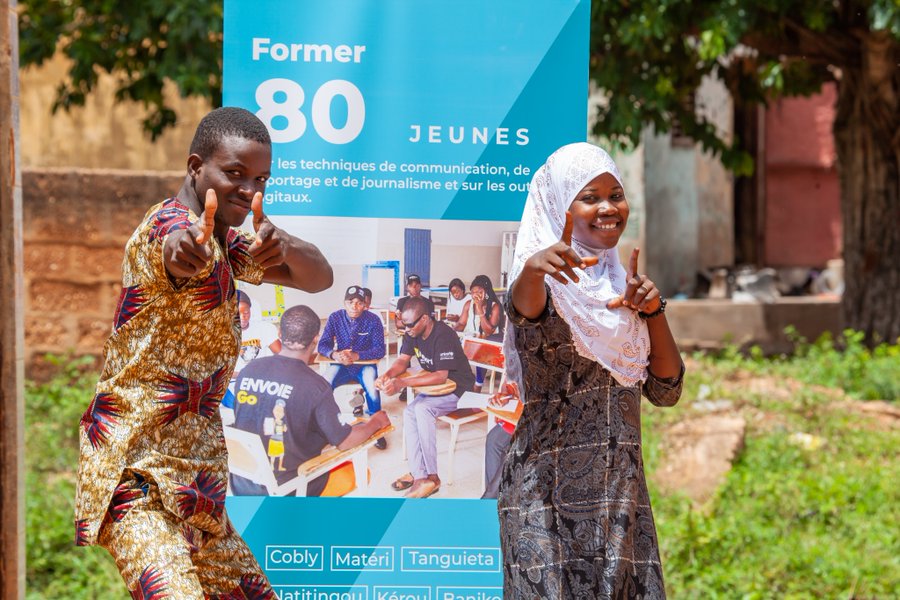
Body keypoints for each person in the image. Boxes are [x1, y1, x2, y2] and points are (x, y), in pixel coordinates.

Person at [74, 106, 333, 599]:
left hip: (197, 490)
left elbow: (320, 277)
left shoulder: (230, 246)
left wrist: (280, 237)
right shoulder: (167, 229)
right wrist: (185, 248)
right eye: (234, 174)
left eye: (260, 179)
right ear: (196, 167)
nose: (250, 190)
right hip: (138, 479)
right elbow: (171, 250)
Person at [499, 142, 684, 599]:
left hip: (621, 504)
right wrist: (533, 269)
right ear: (560, 205)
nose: (608, 207)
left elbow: (666, 391)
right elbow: (524, 309)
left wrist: (653, 311)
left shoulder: (626, 292)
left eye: (615, 194)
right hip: (544, 505)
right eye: (589, 196)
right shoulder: (543, 285)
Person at [231, 305, 390, 496]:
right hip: (287, 488)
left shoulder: (248, 371)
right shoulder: (315, 386)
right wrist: (376, 422)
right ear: (316, 339)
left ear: (280, 333)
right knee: (357, 473)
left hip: (243, 482)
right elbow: (345, 441)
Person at [375, 296, 475, 498]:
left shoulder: (444, 335)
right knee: (410, 411)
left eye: (410, 324)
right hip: (438, 389)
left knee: (422, 409)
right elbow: (402, 361)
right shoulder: (412, 332)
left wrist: (401, 383)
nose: (406, 329)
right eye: (403, 324)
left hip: (460, 389)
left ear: (426, 319)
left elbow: (441, 376)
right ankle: (418, 474)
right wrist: (387, 375)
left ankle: (432, 478)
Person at [317, 285, 387, 449]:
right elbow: (323, 344)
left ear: (365, 304)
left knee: (372, 387)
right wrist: (335, 355)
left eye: (359, 303)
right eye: (350, 302)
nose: (354, 307)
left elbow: (380, 349)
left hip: (364, 365)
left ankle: (378, 430)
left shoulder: (373, 320)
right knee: (323, 385)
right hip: (341, 365)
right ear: (344, 303)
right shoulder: (335, 318)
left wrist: (357, 355)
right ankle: (329, 428)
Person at [480, 380, 519, 500]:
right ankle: (497, 499)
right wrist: (506, 394)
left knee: (515, 448)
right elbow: (509, 383)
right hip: (518, 417)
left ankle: (490, 498)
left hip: (544, 420)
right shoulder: (516, 361)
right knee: (493, 439)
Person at [469, 274, 505, 391]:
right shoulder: (468, 305)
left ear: (487, 292)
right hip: (476, 341)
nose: (476, 295)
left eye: (480, 291)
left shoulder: (495, 307)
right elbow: (461, 324)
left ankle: (477, 385)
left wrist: (480, 310)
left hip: (494, 344)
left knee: (483, 348)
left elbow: (489, 331)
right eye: (473, 292)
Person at [234, 289, 280, 377]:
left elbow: (283, 356)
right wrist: (245, 375)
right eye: (237, 314)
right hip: (235, 382)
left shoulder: (265, 328)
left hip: (261, 380)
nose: (243, 317)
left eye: (246, 312)